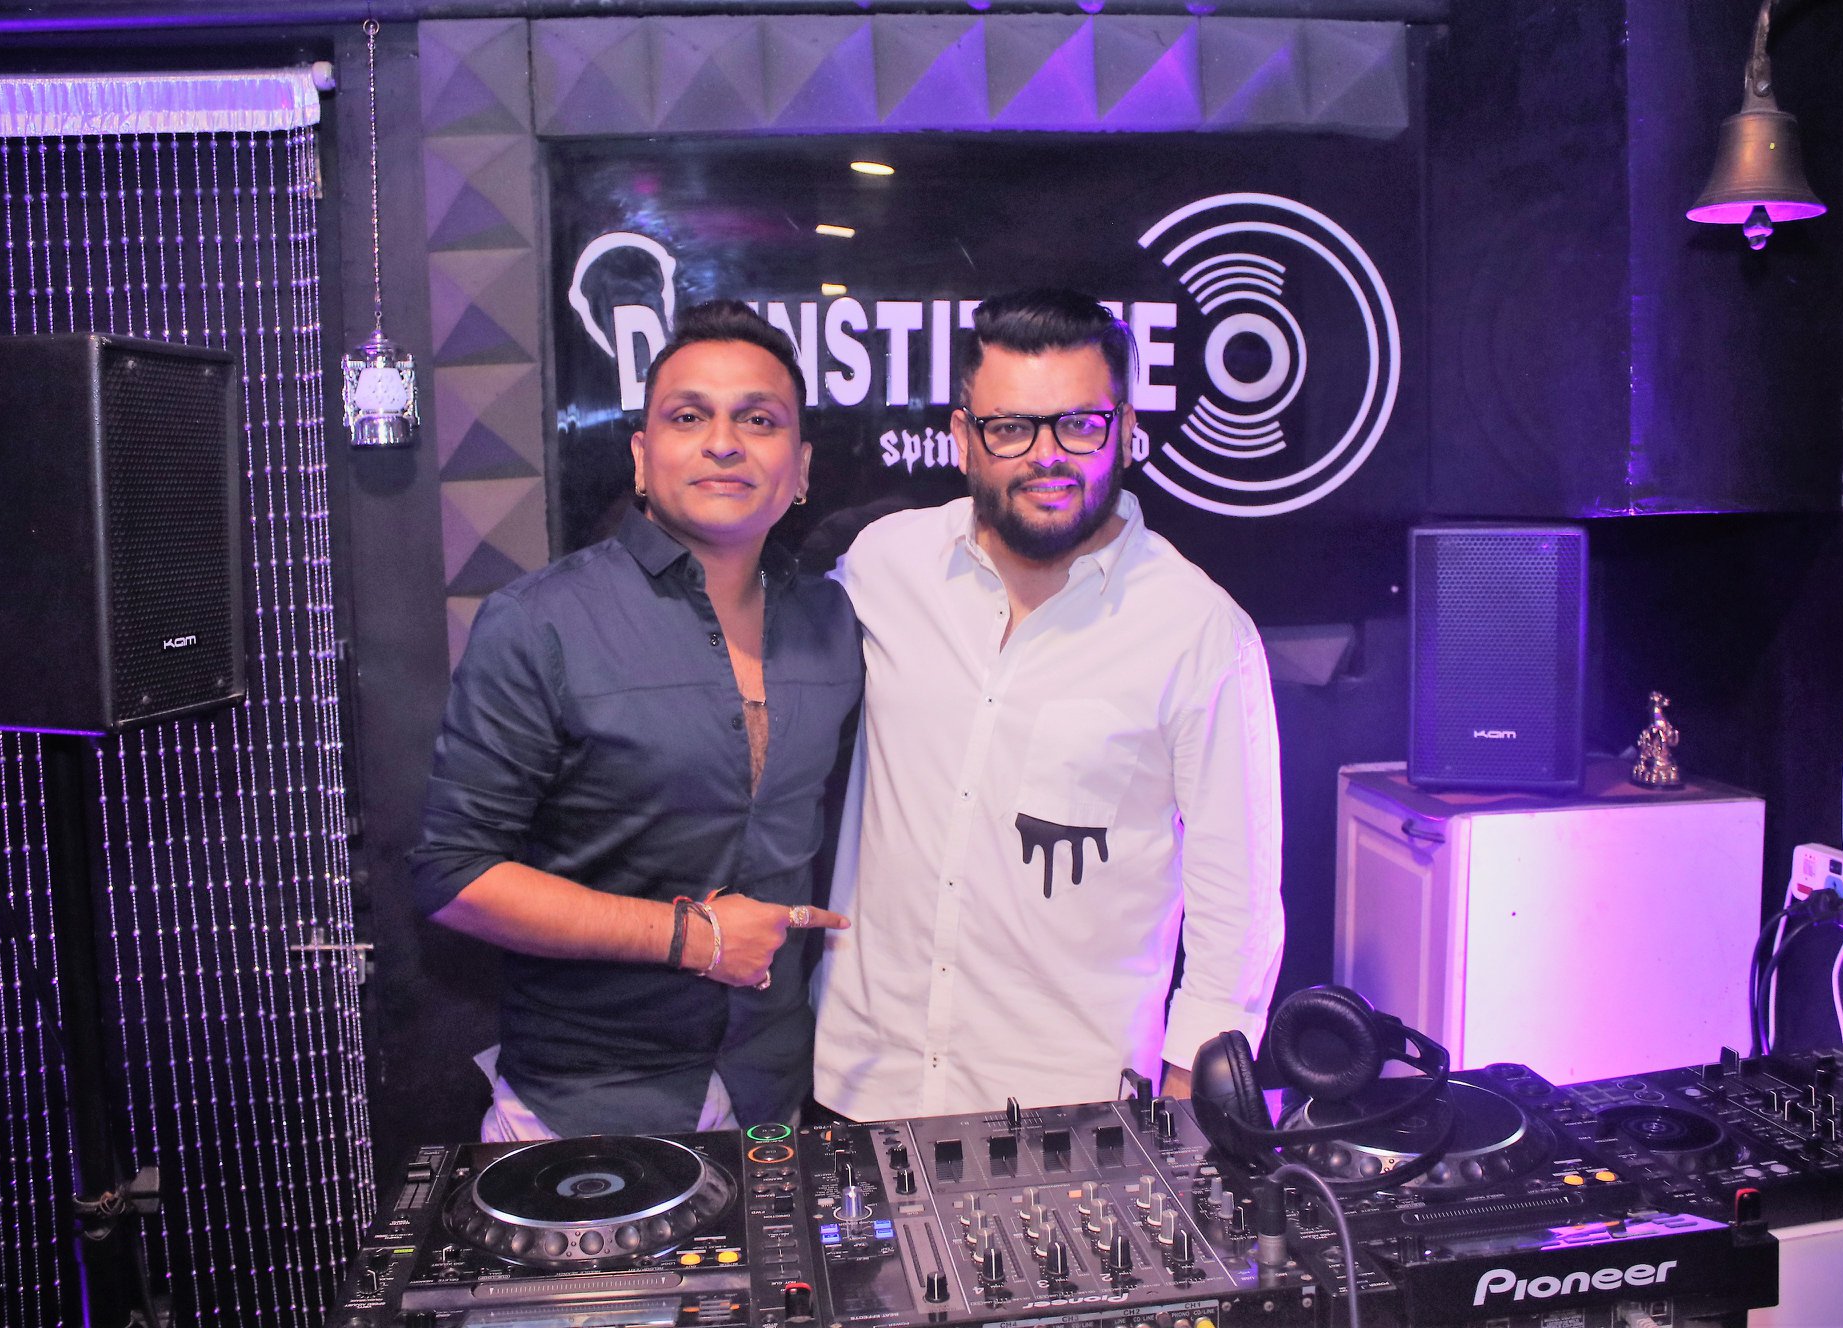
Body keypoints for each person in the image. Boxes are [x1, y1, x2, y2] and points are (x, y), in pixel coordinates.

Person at [813, 288, 1284, 1120]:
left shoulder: (1199, 629)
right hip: (858, 1083)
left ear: (1125, 430)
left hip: (1070, 1111)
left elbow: (1236, 906)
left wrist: (1190, 1105)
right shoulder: (884, 565)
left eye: (1079, 424)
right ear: (964, 437)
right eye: (1010, 428)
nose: (1047, 456)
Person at [411, 299, 860, 1140]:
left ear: (800, 469)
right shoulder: (541, 622)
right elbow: (453, 876)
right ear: (642, 458)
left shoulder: (835, 625)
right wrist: (691, 937)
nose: (723, 442)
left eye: (758, 419)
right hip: (585, 1104)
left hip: (776, 1092)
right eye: (689, 416)